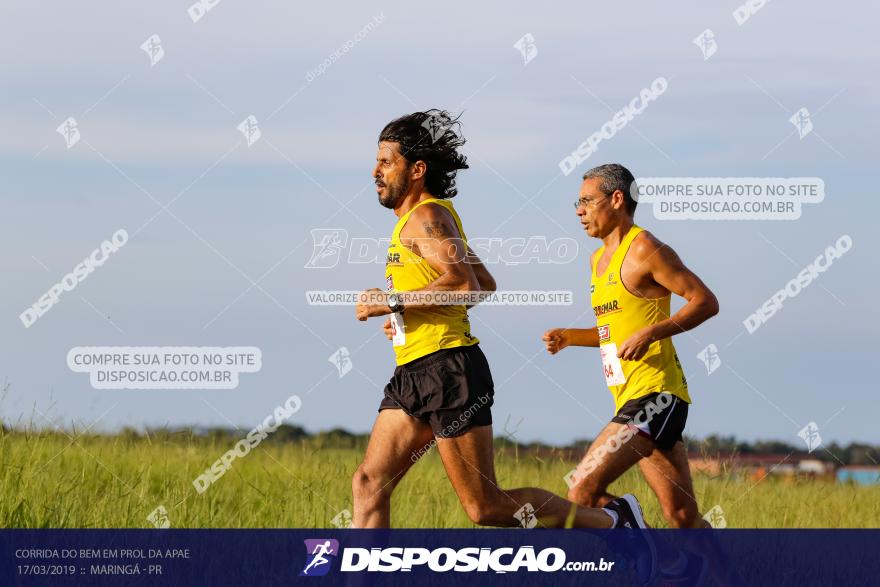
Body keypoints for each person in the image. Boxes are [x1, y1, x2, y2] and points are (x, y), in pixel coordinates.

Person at [352, 112, 656, 558]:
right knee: (368, 482)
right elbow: (482, 284)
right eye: (375, 162)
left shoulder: (427, 217)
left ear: (417, 169)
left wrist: (393, 301)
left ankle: (613, 522)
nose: (375, 172)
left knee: (485, 507)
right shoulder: (426, 220)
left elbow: (464, 285)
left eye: (386, 162)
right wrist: (408, 312)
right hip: (414, 370)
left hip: (448, 370)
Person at [543, 163, 721, 583]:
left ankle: (631, 530)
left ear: (617, 199)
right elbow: (614, 333)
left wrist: (654, 332)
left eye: (587, 201)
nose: (579, 211)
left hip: (657, 397)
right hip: (633, 400)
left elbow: (704, 301)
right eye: (578, 202)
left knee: (582, 488)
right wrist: (571, 336)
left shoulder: (645, 250)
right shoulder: (596, 262)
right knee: (682, 515)